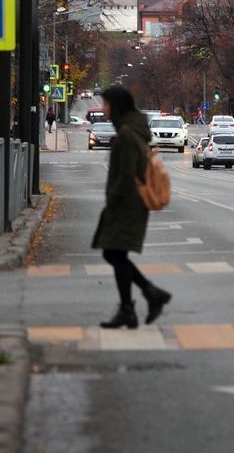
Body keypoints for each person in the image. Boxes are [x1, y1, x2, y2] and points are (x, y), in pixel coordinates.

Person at [91, 85, 172, 329]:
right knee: (115, 253)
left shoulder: (126, 133)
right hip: (128, 202)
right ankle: (138, 301)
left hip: (127, 202)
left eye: (106, 104)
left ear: (116, 106)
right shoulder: (131, 129)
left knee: (113, 252)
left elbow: (126, 174)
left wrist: (113, 199)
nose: (103, 108)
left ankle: (141, 299)